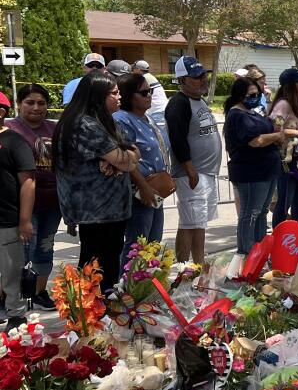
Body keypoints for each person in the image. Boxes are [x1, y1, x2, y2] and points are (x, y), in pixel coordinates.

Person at [52, 73, 138, 291]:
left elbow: (132, 150)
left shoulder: (104, 121)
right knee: (95, 270)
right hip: (97, 211)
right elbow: (126, 162)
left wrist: (122, 158)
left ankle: (105, 316)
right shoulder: (84, 125)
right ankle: (90, 319)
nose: (120, 97)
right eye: (114, 93)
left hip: (112, 211)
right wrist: (122, 159)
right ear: (98, 96)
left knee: (108, 266)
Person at [225, 76, 298, 256]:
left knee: (262, 211)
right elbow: (255, 141)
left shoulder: (253, 112)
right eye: (251, 94)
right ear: (240, 95)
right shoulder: (237, 115)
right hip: (251, 172)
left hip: (267, 170)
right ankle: (247, 253)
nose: (255, 97)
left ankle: (260, 251)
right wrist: (276, 137)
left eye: (257, 94)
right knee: (250, 213)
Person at [166, 57, 222, 265]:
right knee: (189, 224)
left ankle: (199, 266)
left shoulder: (199, 100)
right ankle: (182, 270)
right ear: (183, 80)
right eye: (197, 77)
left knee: (200, 224)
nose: (203, 79)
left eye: (204, 75)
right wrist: (190, 170)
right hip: (192, 174)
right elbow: (177, 140)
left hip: (205, 173)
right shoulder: (178, 104)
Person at [7, 84, 59, 308]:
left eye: (41, 103)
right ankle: (16, 296)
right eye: (30, 102)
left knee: (45, 247)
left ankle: (39, 292)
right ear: (19, 105)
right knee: (21, 251)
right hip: (20, 203)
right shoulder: (10, 129)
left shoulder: (55, 129)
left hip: (52, 202)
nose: (36, 107)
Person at [115, 73, 169, 265]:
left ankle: (147, 287)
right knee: (137, 246)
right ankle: (129, 290)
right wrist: (144, 187)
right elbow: (125, 159)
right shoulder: (121, 119)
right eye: (144, 92)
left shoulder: (146, 118)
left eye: (150, 91)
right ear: (129, 95)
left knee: (153, 243)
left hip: (156, 191)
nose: (149, 96)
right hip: (139, 192)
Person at [0, 115, 34, 327]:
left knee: (11, 271)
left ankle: (16, 314)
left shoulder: (14, 141)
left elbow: (28, 182)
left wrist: (25, 220)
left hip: (7, 219)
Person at [269, 68, 298, 226]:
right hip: (287, 159)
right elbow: (276, 128)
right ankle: (280, 237)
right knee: (285, 200)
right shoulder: (283, 104)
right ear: (291, 85)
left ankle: (297, 236)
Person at [133, 60, 170, 126]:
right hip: (162, 109)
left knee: (160, 135)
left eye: (134, 68)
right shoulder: (150, 76)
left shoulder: (143, 79)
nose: (133, 71)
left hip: (157, 112)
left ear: (138, 69)